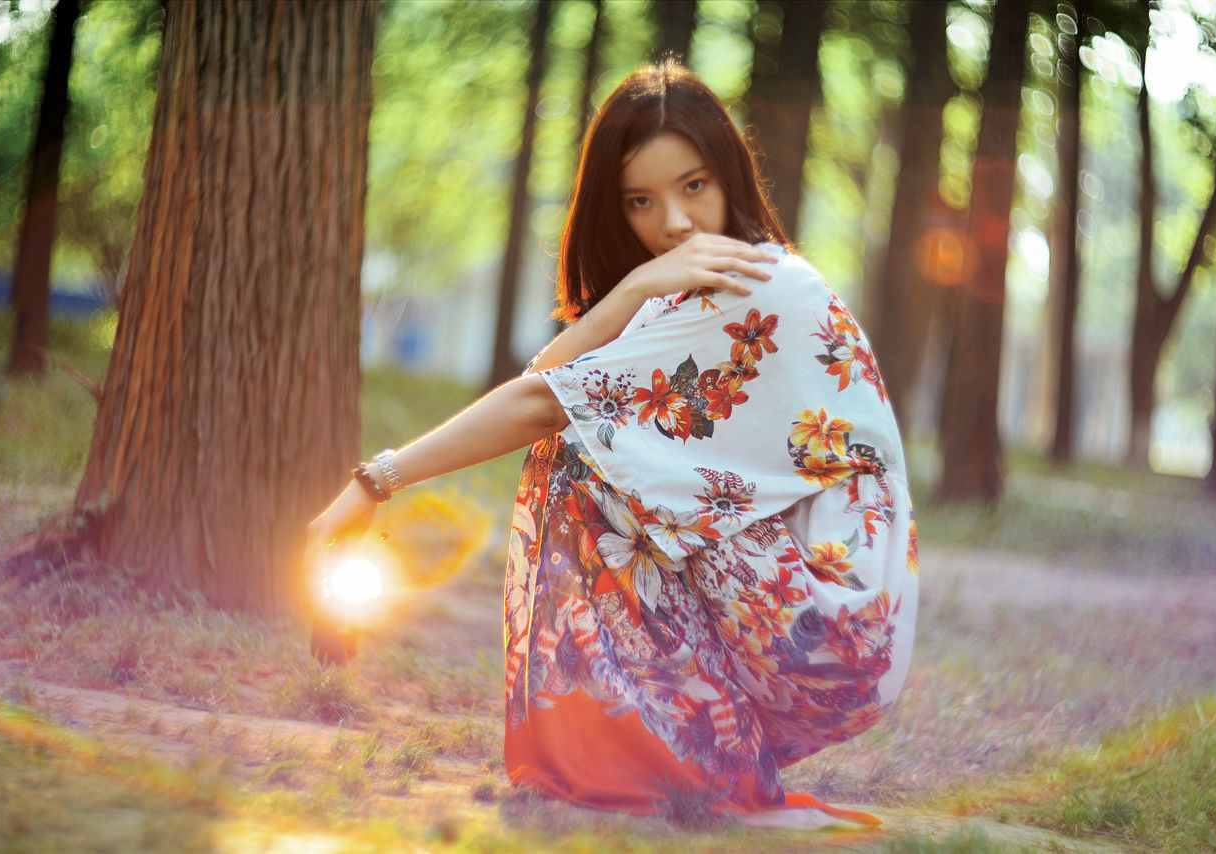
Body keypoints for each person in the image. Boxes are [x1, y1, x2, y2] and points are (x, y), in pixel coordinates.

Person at [307, 60, 918, 830]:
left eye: (694, 185)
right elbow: (553, 385)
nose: (675, 224)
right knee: (586, 441)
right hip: (821, 618)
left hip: (833, 628)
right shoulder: (687, 291)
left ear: (730, 172)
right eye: (642, 201)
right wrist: (631, 292)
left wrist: (374, 483)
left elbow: (541, 402)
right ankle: (671, 756)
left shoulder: (752, 285)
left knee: (584, 456)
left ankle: (679, 765)